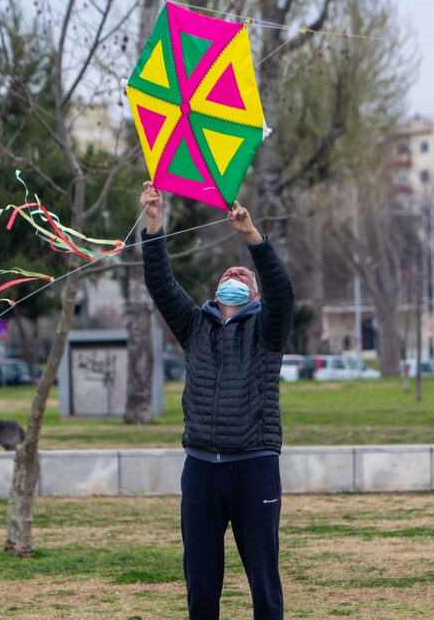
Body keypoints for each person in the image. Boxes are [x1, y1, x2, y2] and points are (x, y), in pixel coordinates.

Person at [139, 181, 293, 620]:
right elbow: (160, 283)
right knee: (201, 582)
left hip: (255, 466)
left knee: (263, 580)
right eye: (228, 274)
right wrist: (154, 223)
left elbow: (282, 291)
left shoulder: (268, 330)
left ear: (255, 296)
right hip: (201, 467)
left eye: (243, 275)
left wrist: (251, 238)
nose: (234, 275)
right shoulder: (195, 326)